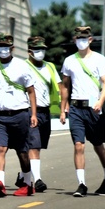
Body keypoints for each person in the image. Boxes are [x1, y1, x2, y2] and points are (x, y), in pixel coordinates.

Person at [59, 25, 105, 197]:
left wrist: (100, 101)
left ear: (90, 40)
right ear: (74, 40)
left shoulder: (99, 59)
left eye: (84, 39)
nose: (81, 42)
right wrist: (63, 109)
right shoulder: (69, 61)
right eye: (78, 39)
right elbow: (65, 86)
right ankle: (81, 184)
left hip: (93, 108)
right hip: (76, 107)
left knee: (98, 146)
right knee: (78, 145)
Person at [0, 33, 38, 197]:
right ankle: (0, 183)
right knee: (0, 148)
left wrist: (33, 114)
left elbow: (31, 91)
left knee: (22, 151)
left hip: (20, 114)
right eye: (0, 47)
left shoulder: (22, 66)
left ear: (12, 48)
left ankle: (28, 183)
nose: (3, 50)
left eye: (7, 47)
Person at [25, 36, 62, 192]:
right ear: (29, 51)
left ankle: (23, 175)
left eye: (43, 49)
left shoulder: (50, 67)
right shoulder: (23, 67)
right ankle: (37, 179)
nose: (41, 52)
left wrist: (63, 108)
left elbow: (59, 86)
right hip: (28, 111)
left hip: (45, 111)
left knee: (38, 146)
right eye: (37, 49)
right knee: (34, 145)